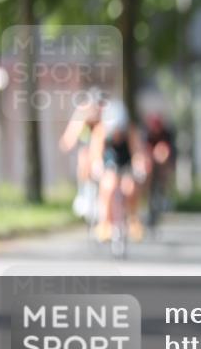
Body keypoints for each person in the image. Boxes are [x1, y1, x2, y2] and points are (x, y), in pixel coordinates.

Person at [90, 99, 148, 243]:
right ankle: (105, 223)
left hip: (125, 163)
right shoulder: (101, 131)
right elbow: (96, 153)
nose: (117, 134)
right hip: (109, 164)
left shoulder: (130, 131)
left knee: (130, 187)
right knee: (108, 186)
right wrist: (97, 166)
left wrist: (139, 165)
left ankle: (133, 219)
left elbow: (137, 152)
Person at [59, 89, 104, 219]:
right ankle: (83, 194)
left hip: (102, 150)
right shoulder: (82, 114)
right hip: (86, 150)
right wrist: (69, 140)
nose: (95, 112)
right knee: (83, 156)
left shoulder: (105, 118)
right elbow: (68, 138)